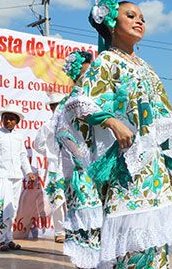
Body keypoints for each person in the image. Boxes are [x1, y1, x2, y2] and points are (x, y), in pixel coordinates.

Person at [65, 0, 172, 268]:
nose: (139, 21)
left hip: (152, 166)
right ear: (111, 24)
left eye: (142, 17)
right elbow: (79, 103)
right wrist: (112, 122)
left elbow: (162, 118)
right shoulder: (107, 61)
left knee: (155, 240)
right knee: (131, 241)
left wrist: (170, 161)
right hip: (125, 164)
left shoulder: (146, 67)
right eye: (130, 15)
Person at [54, 50, 105, 268]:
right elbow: (62, 133)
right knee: (85, 221)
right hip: (81, 172)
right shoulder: (70, 101)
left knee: (101, 223)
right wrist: (83, 159)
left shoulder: (97, 98)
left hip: (100, 171)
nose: (88, 77)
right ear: (75, 74)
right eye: (84, 73)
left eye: (91, 72)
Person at [0, 103, 36, 251]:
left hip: (17, 177)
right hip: (2, 176)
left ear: (17, 121)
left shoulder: (19, 137)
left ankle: (9, 238)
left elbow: (23, 156)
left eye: (12, 119)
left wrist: (28, 172)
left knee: (12, 208)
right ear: (2, 119)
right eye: (6, 118)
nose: (8, 121)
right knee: (1, 207)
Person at [31, 92, 66, 243]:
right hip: (55, 166)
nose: (57, 108)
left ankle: (74, 230)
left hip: (71, 165)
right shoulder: (47, 126)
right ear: (51, 107)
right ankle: (60, 231)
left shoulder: (71, 123)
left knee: (73, 198)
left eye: (59, 105)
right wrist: (50, 153)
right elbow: (37, 144)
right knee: (57, 200)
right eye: (54, 105)